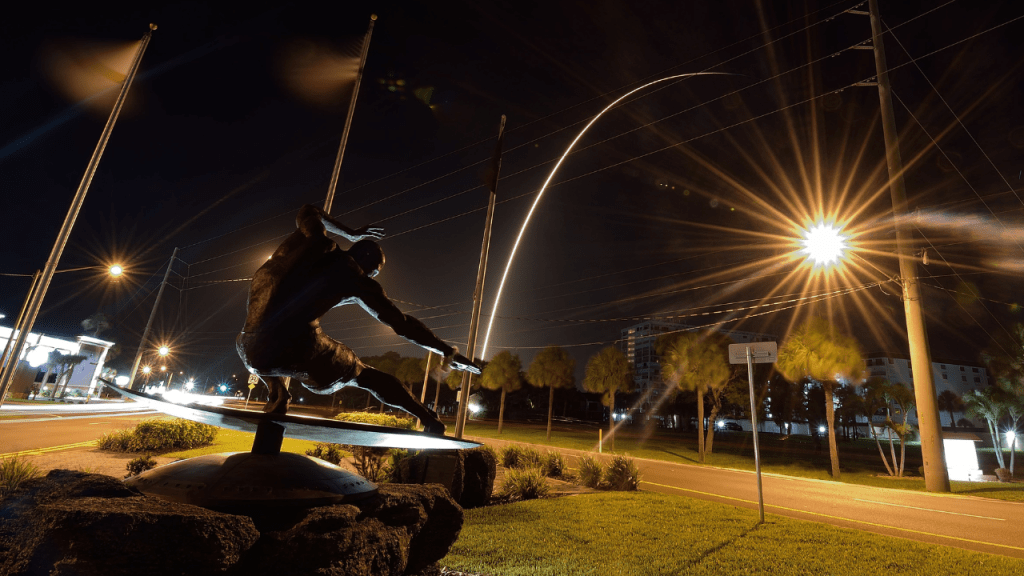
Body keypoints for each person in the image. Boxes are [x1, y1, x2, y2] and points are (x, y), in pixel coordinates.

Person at [236, 204, 479, 434]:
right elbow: (402, 324)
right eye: (375, 272)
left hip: (247, 345)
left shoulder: (316, 241)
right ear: (366, 263)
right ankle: (427, 418)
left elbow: (308, 211)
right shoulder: (354, 276)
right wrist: (447, 351)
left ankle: (276, 389)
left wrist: (351, 233)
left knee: (276, 332)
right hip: (288, 349)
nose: (373, 277)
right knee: (364, 375)